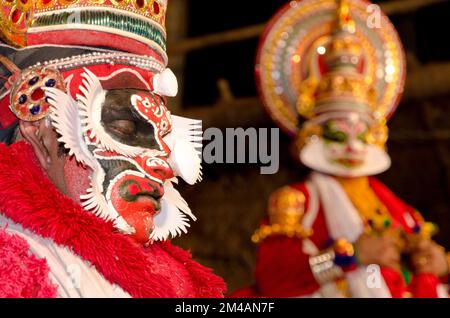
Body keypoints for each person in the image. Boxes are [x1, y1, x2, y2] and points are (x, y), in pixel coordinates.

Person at [0, 0, 225, 298]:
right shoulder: (16, 266)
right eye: (125, 129)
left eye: (163, 140)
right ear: (41, 133)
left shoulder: (171, 274)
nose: (163, 165)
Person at [233, 0, 449, 298]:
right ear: (312, 133)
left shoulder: (403, 214)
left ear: (376, 134)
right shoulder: (296, 202)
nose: (350, 145)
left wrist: (439, 267)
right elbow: (274, 283)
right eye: (337, 134)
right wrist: (349, 256)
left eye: (360, 134)